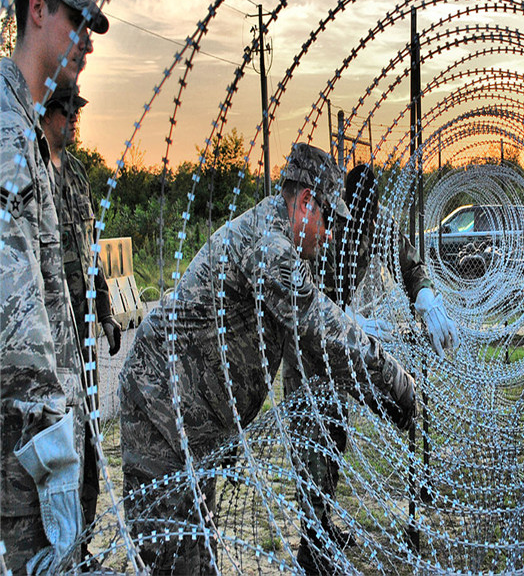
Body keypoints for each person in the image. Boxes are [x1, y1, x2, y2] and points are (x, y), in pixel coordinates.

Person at [119, 143, 416, 574]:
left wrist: (376, 393)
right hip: (161, 409)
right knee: (180, 560)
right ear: (306, 202)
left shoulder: (290, 245)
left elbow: (320, 348)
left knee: (198, 552)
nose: (331, 233)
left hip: (193, 420)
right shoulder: (271, 247)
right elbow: (324, 329)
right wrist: (395, 382)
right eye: (328, 219)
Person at [283, 162, 458, 573]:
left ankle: (322, 524)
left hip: (338, 344)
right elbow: (302, 293)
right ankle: (312, 545)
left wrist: (426, 298)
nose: (365, 218)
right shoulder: (326, 226)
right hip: (306, 348)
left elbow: (408, 265)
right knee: (312, 440)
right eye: (360, 208)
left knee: (335, 433)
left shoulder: (374, 224)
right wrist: (349, 320)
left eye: (371, 209)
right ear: (346, 201)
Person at [0, 0, 109, 573]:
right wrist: (54, 455)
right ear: (37, 9)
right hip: (23, 452)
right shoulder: (11, 135)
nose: (87, 42)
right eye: (76, 20)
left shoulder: (28, 131)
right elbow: (16, 319)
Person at [40, 82, 121, 566]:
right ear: (47, 112)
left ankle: (81, 542)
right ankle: (53, 549)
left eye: (77, 112)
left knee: (88, 442)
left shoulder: (76, 176)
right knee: (54, 444)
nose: (74, 120)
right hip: (47, 343)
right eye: (67, 111)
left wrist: (107, 313)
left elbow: (93, 254)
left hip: (82, 337)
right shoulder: (29, 172)